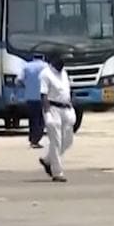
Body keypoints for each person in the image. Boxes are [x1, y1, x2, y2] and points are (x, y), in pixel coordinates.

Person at [38, 52, 75, 182]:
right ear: (54, 60)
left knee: (68, 140)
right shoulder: (45, 73)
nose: (63, 64)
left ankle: (48, 160)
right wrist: (47, 113)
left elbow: (68, 90)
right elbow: (43, 95)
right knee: (56, 141)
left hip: (66, 108)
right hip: (53, 108)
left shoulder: (64, 73)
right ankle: (57, 172)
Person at [18, 54, 48, 149]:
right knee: (41, 120)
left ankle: (32, 139)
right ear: (43, 58)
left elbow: (18, 80)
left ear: (33, 58)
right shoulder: (46, 66)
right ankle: (36, 140)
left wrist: (26, 86)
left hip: (30, 97)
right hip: (43, 97)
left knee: (32, 119)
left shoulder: (26, 66)